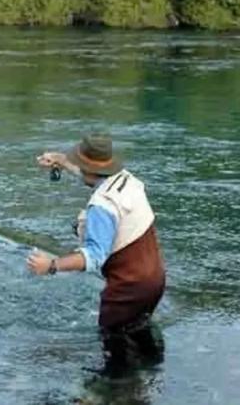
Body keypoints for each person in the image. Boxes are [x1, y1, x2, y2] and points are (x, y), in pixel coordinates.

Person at [27, 134, 166, 372]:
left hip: (127, 288)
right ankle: (147, 381)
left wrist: (51, 265)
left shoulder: (102, 206)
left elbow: (93, 256)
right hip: (156, 280)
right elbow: (92, 175)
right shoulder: (127, 180)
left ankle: (113, 391)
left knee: (115, 356)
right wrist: (60, 160)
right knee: (139, 337)